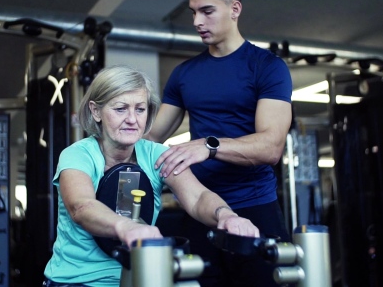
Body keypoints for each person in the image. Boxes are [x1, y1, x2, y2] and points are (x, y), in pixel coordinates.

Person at [42, 64, 260, 287]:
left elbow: (198, 197)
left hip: (139, 278)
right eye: (120, 109)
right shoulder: (77, 155)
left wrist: (226, 215)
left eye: (140, 109)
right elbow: (81, 206)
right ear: (96, 111)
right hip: (77, 281)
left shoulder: (155, 154)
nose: (132, 119)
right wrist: (125, 227)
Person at [146, 0, 293, 287]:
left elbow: (271, 147)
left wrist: (208, 146)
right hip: (201, 210)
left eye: (207, 11)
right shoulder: (184, 74)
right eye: (194, 12)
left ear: (234, 9)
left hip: (255, 208)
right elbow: (151, 138)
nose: (197, 21)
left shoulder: (267, 67)